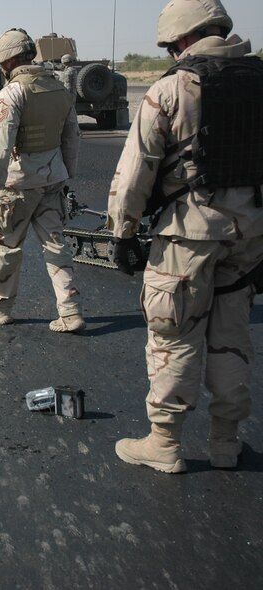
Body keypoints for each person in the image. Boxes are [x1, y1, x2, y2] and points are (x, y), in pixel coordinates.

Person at [109, 0, 263, 473]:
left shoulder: (173, 88)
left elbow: (135, 172)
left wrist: (124, 232)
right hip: (251, 236)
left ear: (180, 40)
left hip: (187, 239)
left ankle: (165, 443)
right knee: (230, 334)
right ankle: (224, 442)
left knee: (173, 335)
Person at [0, 28, 84, 332]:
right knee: (56, 245)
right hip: (51, 182)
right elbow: (72, 137)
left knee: (7, 246)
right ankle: (70, 310)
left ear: (7, 62)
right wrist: (66, 174)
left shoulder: (12, 93)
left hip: (18, 186)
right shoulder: (60, 89)